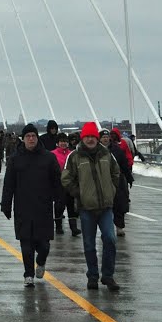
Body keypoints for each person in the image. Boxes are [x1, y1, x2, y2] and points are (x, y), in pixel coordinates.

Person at [0, 123, 62, 288]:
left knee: (44, 245)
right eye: (28, 136)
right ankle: (28, 275)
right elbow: (9, 184)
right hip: (23, 208)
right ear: (23, 139)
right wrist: (5, 204)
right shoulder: (15, 159)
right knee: (26, 245)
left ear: (37, 137)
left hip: (43, 207)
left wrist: (60, 201)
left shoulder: (48, 158)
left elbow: (57, 182)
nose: (31, 139)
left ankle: (40, 262)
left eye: (34, 136)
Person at [61, 121, 120, 292]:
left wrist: (112, 190)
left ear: (97, 138)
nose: (89, 139)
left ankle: (108, 275)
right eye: (86, 136)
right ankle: (92, 276)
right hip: (86, 208)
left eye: (92, 136)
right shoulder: (74, 157)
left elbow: (116, 173)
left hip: (106, 207)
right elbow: (66, 178)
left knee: (110, 239)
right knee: (89, 244)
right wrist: (79, 193)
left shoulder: (106, 154)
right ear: (82, 138)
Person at [103, 130, 132, 237]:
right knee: (106, 206)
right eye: (103, 137)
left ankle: (119, 227)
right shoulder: (96, 151)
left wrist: (129, 178)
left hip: (118, 180)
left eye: (107, 137)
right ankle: (106, 227)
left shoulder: (117, 150)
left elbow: (124, 164)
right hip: (103, 182)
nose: (105, 139)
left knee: (120, 204)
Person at [51, 133, 79, 236]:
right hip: (58, 184)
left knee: (72, 206)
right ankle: (58, 227)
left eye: (65, 141)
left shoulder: (72, 154)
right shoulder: (52, 154)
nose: (63, 143)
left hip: (70, 184)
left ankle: (74, 228)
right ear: (57, 143)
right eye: (61, 141)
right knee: (59, 206)